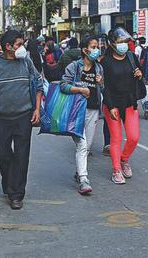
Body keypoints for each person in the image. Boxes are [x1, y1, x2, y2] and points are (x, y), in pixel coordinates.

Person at [0, 30, 43, 210]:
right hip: (0, 119)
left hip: (24, 116)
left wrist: (37, 109)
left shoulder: (26, 63)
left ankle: (16, 194)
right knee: (0, 152)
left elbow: (38, 83)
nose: (22, 48)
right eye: (18, 44)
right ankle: (9, 178)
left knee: (21, 156)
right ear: (8, 47)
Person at [60, 37, 103, 195]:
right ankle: (84, 179)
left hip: (93, 110)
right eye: (93, 46)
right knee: (82, 145)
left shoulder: (98, 67)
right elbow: (63, 85)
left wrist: (100, 82)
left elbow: (101, 89)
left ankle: (79, 172)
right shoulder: (74, 66)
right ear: (85, 50)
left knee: (88, 144)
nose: (97, 49)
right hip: (76, 110)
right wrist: (80, 90)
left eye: (97, 46)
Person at [101, 27, 142, 185]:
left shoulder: (132, 57)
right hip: (113, 104)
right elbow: (105, 87)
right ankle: (116, 169)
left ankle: (124, 159)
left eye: (126, 41)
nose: (124, 45)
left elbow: (138, 75)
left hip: (129, 103)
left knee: (133, 137)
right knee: (116, 138)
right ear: (112, 44)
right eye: (120, 42)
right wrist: (110, 106)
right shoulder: (106, 62)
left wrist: (139, 75)